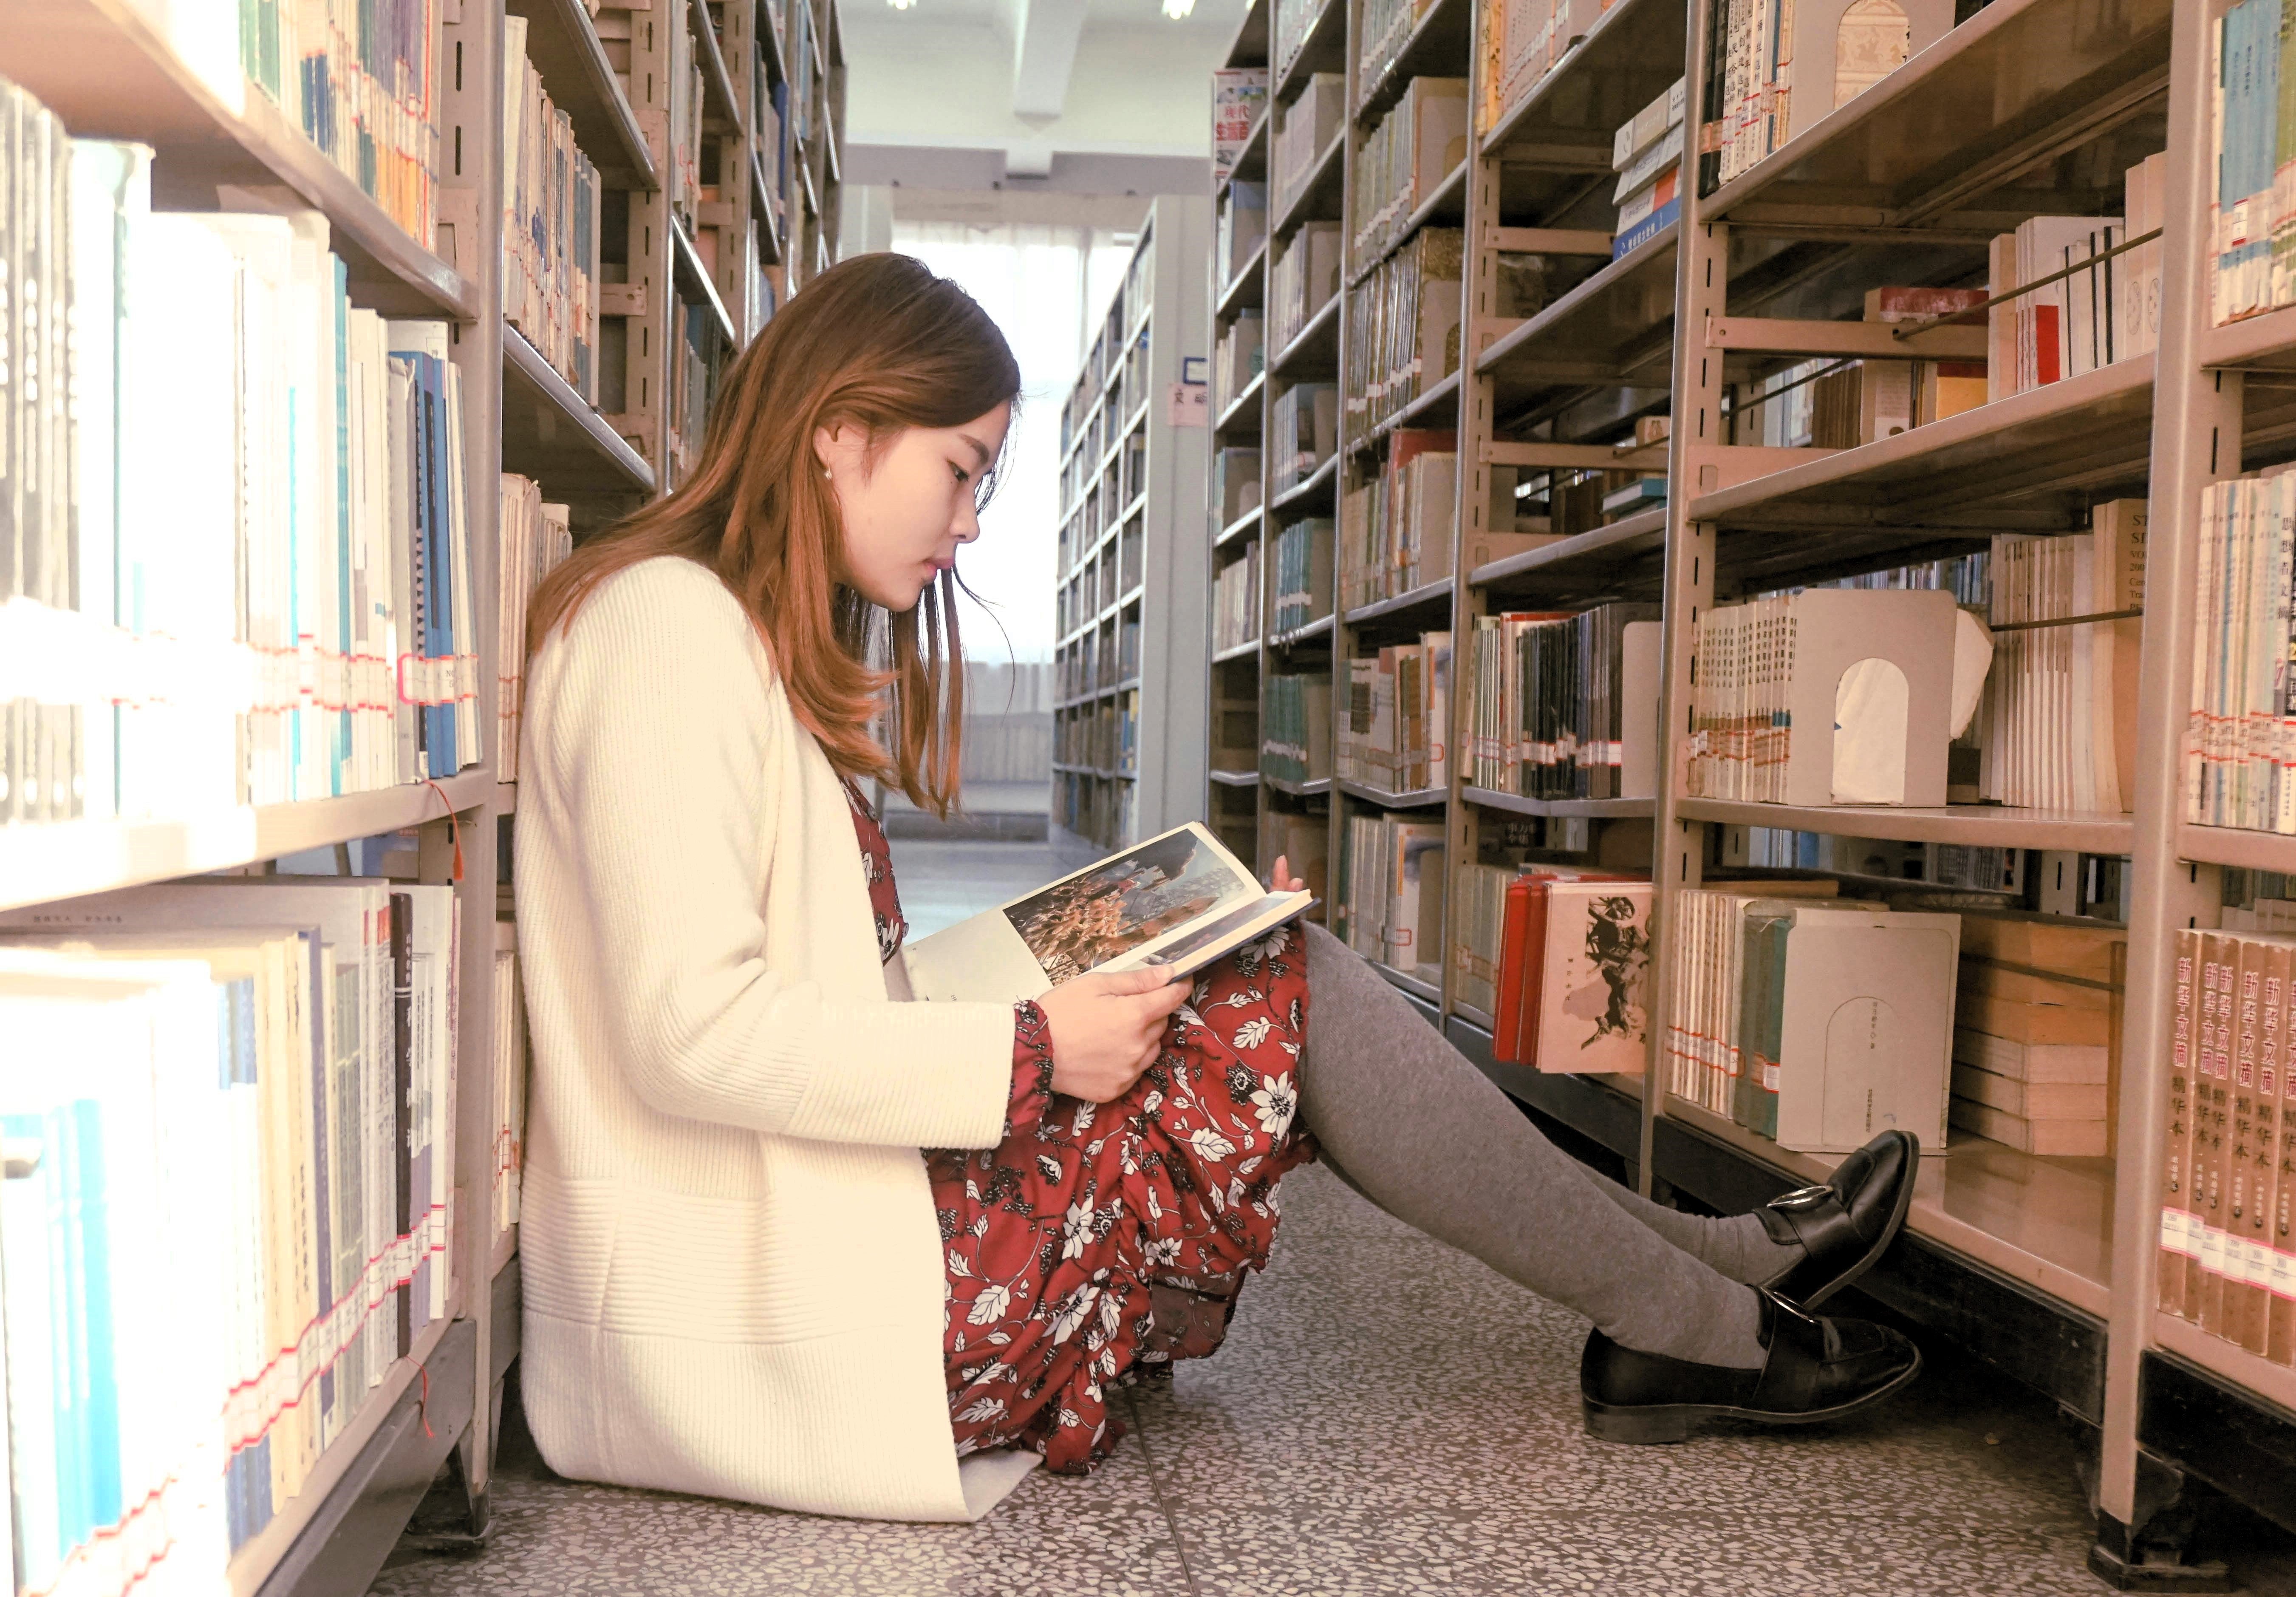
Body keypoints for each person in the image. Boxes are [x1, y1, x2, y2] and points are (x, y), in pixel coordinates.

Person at [511, 252, 1925, 1526]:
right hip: (792, 1320)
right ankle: (1696, 1305)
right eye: (959, 468)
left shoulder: (712, 628)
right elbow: (691, 1033)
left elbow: (817, 998)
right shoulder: (664, 633)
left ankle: (1703, 1273)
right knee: (1281, 987)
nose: (970, 521)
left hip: (834, 1249)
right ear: (839, 431)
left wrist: (1105, 953)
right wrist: (1031, 1047)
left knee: (1245, 957)